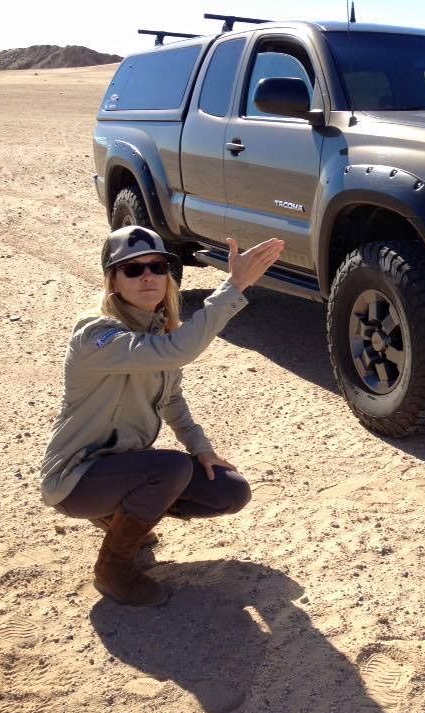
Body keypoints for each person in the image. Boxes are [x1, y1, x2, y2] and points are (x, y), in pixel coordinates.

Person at [40, 226, 284, 607]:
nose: (148, 276)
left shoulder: (156, 329)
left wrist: (202, 449)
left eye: (157, 266)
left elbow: (172, 400)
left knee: (229, 491)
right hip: (76, 479)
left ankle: (118, 517)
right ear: (113, 281)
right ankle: (113, 568)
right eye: (133, 270)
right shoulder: (97, 335)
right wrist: (233, 286)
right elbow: (177, 351)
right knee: (169, 470)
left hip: (121, 471)